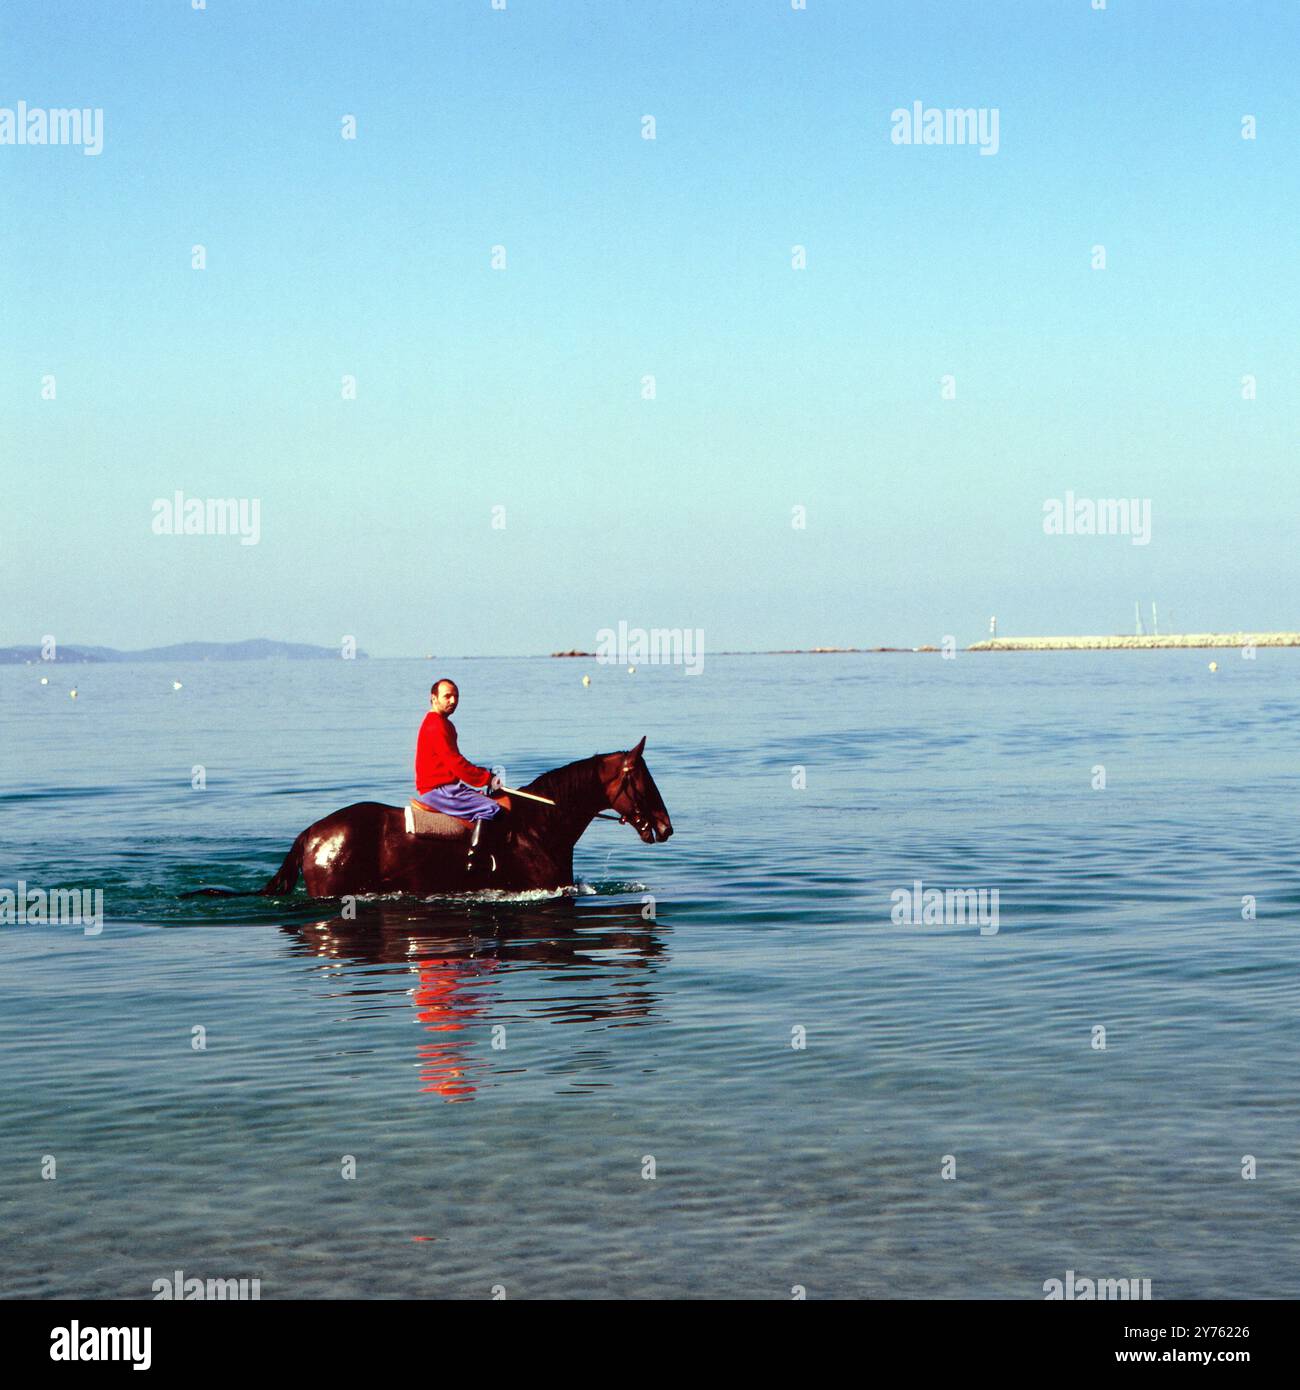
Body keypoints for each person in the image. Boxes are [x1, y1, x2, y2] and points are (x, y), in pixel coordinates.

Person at [414, 680, 506, 829]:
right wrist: (487, 778)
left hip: (445, 788)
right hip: (439, 791)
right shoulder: (436, 725)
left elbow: (453, 762)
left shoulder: (442, 723)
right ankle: (476, 852)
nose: (453, 701)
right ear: (434, 698)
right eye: (447, 696)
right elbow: (456, 764)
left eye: (456, 696)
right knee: (492, 809)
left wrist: (483, 774)